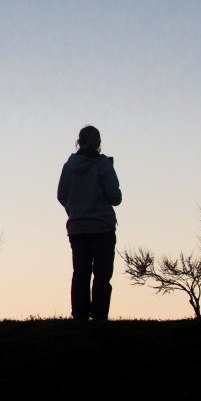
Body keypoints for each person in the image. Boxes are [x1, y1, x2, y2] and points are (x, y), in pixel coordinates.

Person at [57, 126, 123, 321]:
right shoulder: (103, 165)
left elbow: (61, 195)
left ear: (79, 141)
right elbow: (115, 197)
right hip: (102, 226)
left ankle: (80, 316)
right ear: (97, 142)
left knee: (81, 273)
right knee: (102, 275)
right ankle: (100, 316)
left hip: (77, 228)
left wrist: (75, 210)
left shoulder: (69, 166)